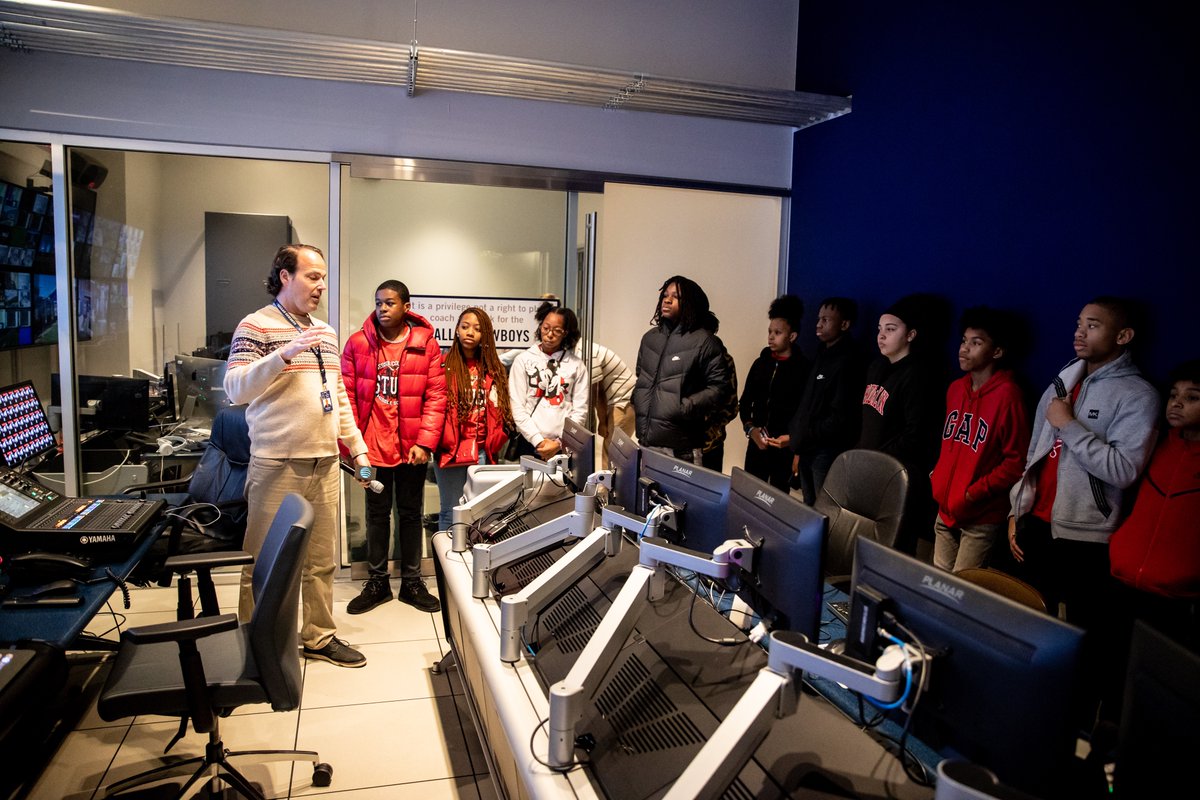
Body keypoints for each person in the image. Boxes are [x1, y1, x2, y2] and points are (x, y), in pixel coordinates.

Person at [1007, 296, 1159, 726]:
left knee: (1081, 646)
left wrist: (1068, 424)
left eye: (1092, 325)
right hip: (1036, 525)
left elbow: (1124, 469)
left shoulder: (1138, 395)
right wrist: (1015, 511)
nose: (1079, 332)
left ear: (1123, 336)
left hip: (1085, 538)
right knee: (1027, 629)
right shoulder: (1062, 381)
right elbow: (1034, 453)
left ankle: (1067, 732)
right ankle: (1020, 714)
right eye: (1079, 323)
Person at [224, 244, 371, 668]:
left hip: (324, 462)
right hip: (277, 464)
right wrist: (283, 354)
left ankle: (319, 637)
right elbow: (235, 390)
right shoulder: (256, 326)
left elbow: (338, 395)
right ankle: (257, 642)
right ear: (285, 276)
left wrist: (357, 448)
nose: (320, 285)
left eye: (323, 277)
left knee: (320, 562)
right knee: (264, 563)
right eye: (312, 276)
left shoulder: (324, 331)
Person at [341, 280, 446, 615]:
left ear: (405, 306)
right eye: (378, 303)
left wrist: (425, 443)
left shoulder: (425, 344)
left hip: (411, 449)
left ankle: (412, 582)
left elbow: (435, 397)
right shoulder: (358, 344)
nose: (382, 309)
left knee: (411, 514)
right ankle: (377, 582)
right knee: (375, 515)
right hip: (372, 447)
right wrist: (354, 449)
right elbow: (346, 397)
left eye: (389, 303)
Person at [1108, 358, 1200, 649]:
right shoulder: (1155, 444)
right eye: (1173, 395)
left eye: (1192, 398)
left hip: (1174, 599)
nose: (1177, 403)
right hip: (1122, 580)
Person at [930, 307, 1030, 572]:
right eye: (964, 341)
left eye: (976, 343)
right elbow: (949, 444)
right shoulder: (955, 389)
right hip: (945, 510)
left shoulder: (1009, 396)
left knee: (962, 592)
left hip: (980, 517)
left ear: (996, 352)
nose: (964, 349)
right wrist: (938, 478)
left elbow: (1015, 462)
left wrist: (973, 493)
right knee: (937, 586)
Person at [857, 296, 943, 554]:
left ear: (911, 335)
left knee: (892, 546)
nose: (881, 336)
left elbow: (915, 433)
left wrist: (878, 459)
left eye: (891, 330)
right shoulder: (876, 367)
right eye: (879, 329)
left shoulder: (917, 375)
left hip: (897, 475)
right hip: (869, 469)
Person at [633, 275, 732, 465]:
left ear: (691, 303)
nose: (667, 300)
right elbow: (642, 376)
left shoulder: (705, 341)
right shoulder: (649, 338)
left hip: (682, 447)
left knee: (680, 496)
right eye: (665, 295)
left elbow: (720, 388)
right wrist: (637, 399)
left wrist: (682, 407)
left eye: (676, 296)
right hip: (647, 441)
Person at [435, 306, 514, 532]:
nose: (470, 332)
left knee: (478, 513)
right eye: (465, 326)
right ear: (457, 331)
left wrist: (496, 440)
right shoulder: (443, 365)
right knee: (450, 511)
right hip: (450, 451)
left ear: (485, 335)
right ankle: (446, 565)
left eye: (477, 329)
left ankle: (471, 566)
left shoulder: (493, 369)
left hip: (481, 450)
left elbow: (502, 411)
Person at [788, 297, 865, 504]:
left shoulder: (849, 361)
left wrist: (807, 435)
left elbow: (840, 416)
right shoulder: (822, 353)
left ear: (845, 324)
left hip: (826, 451)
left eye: (826, 320)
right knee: (809, 504)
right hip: (807, 447)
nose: (818, 324)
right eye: (818, 318)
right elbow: (807, 404)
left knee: (826, 508)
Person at [739, 294, 809, 489]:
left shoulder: (804, 369)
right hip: (756, 445)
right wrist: (750, 430)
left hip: (784, 448)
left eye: (777, 332)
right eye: (770, 331)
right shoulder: (760, 364)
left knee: (778, 500)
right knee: (750, 494)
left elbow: (805, 414)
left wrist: (794, 443)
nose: (770, 336)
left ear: (792, 336)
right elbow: (744, 403)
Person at [508, 301, 589, 460]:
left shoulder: (576, 365)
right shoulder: (523, 360)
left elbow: (580, 411)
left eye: (557, 330)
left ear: (566, 333)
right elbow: (517, 406)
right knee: (529, 485)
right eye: (545, 328)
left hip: (563, 446)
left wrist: (560, 443)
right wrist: (538, 441)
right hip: (529, 442)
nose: (550, 334)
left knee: (561, 485)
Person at [575, 340, 636, 468]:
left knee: (612, 452)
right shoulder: (578, 350)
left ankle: (606, 488)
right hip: (618, 400)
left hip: (623, 401)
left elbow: (598, 391)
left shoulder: (585, 352)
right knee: (612, 451)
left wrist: (602, 422)